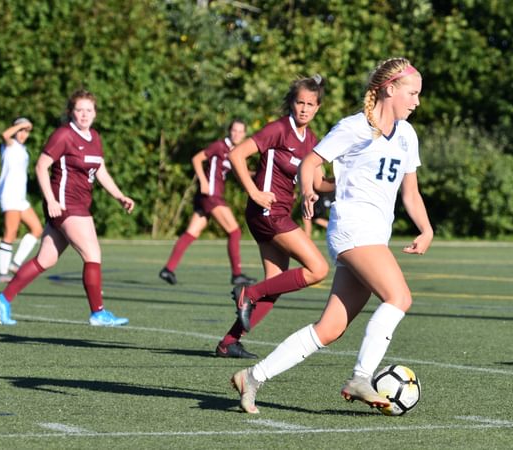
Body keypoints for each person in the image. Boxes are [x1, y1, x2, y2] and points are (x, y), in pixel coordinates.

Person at [231, 57, 433, 414]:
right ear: (389, 89)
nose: (417, 101)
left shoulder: (407, 135)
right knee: (399, 297)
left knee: (330, 328)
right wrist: (308, 190)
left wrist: (427, 228)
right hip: (354, 227)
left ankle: (253, 376)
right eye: (412, 93)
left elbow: (411, 193)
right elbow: (311, 162)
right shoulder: (354, 127)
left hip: (373, 234)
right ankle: (361, 376)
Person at [0, 89, 135, 327]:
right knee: (93, 254)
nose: (84, 115)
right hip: (67, 205)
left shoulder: (95, 137)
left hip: (76, 204)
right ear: (71, 112)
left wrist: (120, 196)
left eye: (89, 110)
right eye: (79, 110)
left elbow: (100, 171)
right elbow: (41, 167)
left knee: (45, 259)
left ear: (95, 113)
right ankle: (98, 313)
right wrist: (51, 200)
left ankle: (2, 299)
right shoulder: (64, 135)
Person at [215, 75, 331, 359]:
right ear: (292, 103)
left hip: (274, 214)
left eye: (310, 104)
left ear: (317, 108)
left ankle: (228, 342)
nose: (304, 108)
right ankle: (248, 294)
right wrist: (254, 192)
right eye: (300, 102)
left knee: (275, 283)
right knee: (318, 269)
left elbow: (318, 183)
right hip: (267, 212)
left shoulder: (312, 140)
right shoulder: (279, 129)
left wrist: (351, 181)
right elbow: (237, 154)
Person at [158, 120, 256, 286]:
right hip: (211, 194)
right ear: (229, 131)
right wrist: (203, 181)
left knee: (191, 233)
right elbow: (197, 159)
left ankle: (168, 269)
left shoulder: (235, 152)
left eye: (240, 132)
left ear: (245, 134)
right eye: (234, 130)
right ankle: (237, 274)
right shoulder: (219, 146)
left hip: (209, 196)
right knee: (235, 232)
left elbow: (243, 173)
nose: (237, 134)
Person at [0, 118, 43, 283]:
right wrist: (21, 125)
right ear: (15, 130)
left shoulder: (22, 149)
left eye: (26, 131)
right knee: (10, 233)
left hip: (20, 197)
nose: (24, 134)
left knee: (37, 229)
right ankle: (2, 273)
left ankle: (15, 264)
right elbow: (4, 134)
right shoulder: (9, 145)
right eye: (21, 130)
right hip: (9, 195)